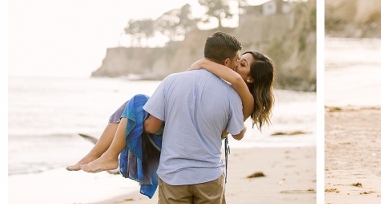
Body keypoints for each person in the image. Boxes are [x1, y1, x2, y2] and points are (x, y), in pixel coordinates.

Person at [66, 48, 275, 174]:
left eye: (243, 64)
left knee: (137, 102)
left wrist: (203, 63)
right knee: (129, 106)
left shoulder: (245, 98)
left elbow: (236, 84)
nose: (237, 65)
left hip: (179, 138)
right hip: (179, 134)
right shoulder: (228, 90)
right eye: (238, 60)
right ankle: (95, 155)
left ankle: (109, 156)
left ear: (251, 78)